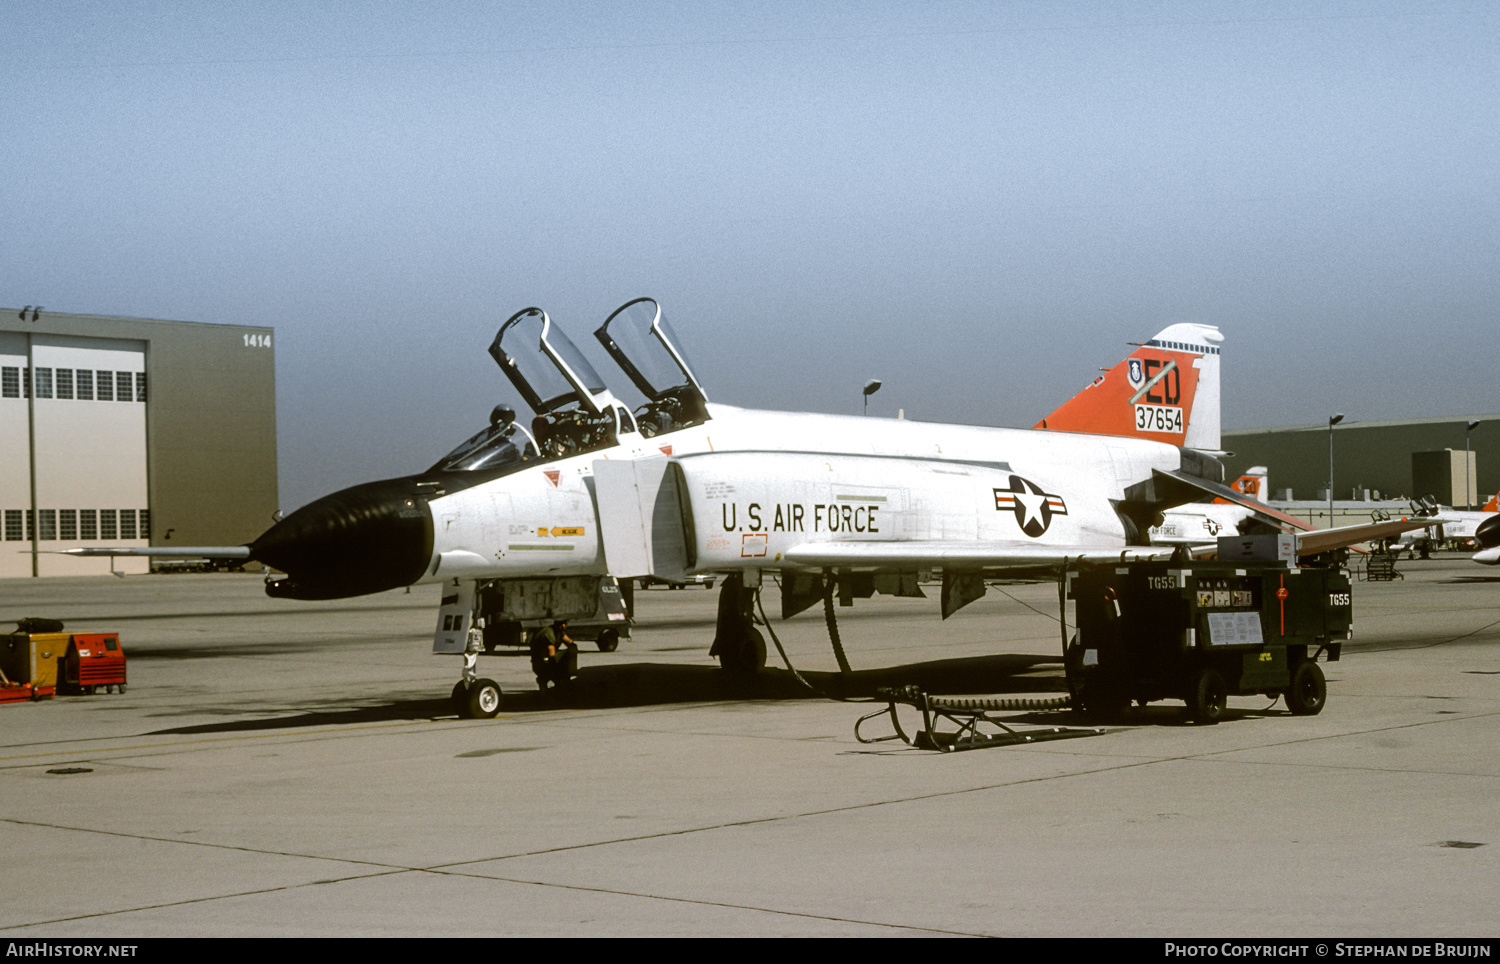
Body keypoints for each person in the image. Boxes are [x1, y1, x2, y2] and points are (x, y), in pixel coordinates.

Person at [529, 619, 577, 692]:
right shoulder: (549, 633)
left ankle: (559, 682)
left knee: (569, 652)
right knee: (547, 674)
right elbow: (551, 653)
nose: (564, 626)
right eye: (561, 623)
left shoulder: (559, 632)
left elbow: (571, 644)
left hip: (548, 659)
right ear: (556, 623)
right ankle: (545, 687)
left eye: (565, 624)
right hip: (540, 661)